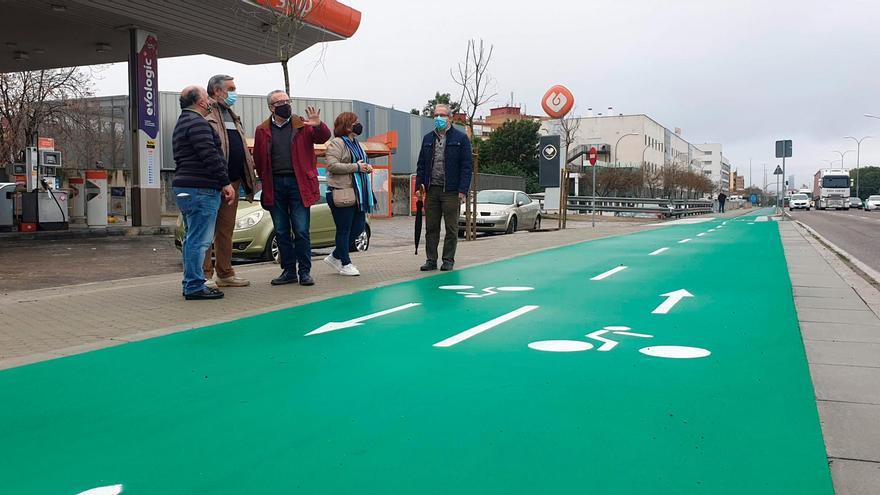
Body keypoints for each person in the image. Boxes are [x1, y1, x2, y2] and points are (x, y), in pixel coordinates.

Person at [252, 90, 331, 286]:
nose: (286, 104)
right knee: (281, 231)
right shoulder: (262, 130)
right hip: (275, 184)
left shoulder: (303, 125)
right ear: (271, 107)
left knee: (301, 230)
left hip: (299, 184)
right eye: (280, 102)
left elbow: (323, 137)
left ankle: (305, 272)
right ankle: (288, 271)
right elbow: (259, 159)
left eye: (288, 101)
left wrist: (318, 124)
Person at [171, 85, 235, 300]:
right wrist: (225, 182)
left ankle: (191, 282)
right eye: (207, 98)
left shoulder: (182, 123)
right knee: (200, 240)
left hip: (184, 187)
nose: (210, 101)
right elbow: (209, 155)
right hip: (201, 188)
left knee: (192, 239)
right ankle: (194, 286)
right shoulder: (198, 123)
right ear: (200, 102)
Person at [203, 74, 257, 288]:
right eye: (231, 88)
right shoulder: (205, 112)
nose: (234, 92)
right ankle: (204, 275)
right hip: (212, 183)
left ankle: (224, 273)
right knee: (206, 230)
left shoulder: (232, 114)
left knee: (225, 229)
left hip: (232, 183)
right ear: (217, 91)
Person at [415, 103, 472, 272]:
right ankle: (431, 259)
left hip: (451, 191)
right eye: (436, 115)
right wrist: (419, 187)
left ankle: (448, 260)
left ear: (450, 117)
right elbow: (421, 165)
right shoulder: (427, 138)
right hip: (431, 190)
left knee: (451, 228)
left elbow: (466, 166)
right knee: (431, 227)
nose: (438, 118)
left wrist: (463, 190)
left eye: (442, 115)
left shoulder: (460, 139)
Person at [323, 112, 375, 276]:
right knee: (343, 229)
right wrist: (357, 167)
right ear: (346, 126)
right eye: (355, 122)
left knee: (359, 228)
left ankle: (335, 255)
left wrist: (366, 167)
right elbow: (332, 166)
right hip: (341, 192)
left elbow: (359, 164)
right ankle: (345, 263)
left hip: (358, 194)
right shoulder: (336, 143)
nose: (358, 125)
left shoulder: (356, 144)